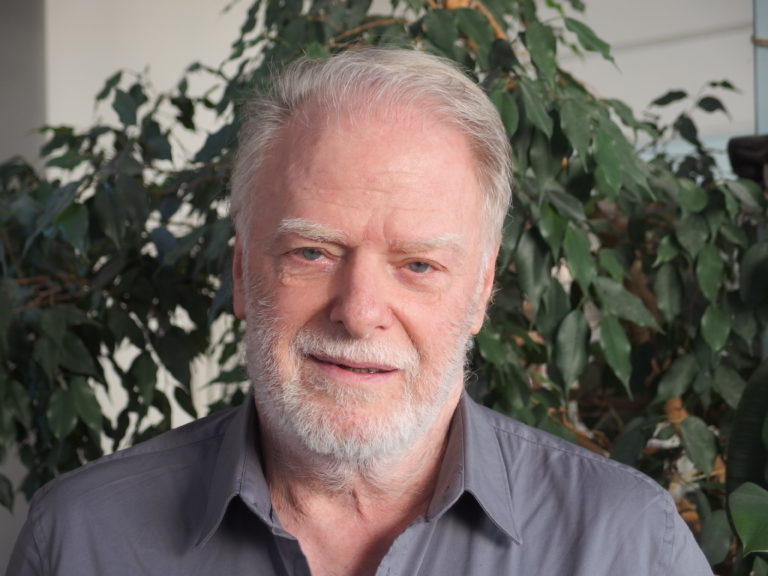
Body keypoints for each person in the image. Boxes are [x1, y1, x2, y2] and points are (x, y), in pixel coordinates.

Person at [7, 47, 712, 576]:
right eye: (312, 252)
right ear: (242, 270)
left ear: (480, 290)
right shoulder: (81, 539)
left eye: (418, 265)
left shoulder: (628, 545)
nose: (359, 312)